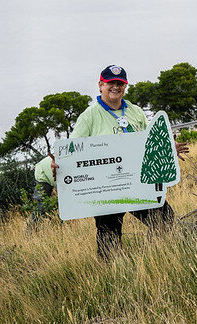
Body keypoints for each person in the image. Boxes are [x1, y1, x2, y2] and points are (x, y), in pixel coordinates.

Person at [59, 65, 188, 260]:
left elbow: (149, 142)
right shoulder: (89, 117)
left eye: (120, 83)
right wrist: (58, 165)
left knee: (165, 221)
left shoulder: (135, 112)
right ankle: (110, 276)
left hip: (139, 183)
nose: (116, 87)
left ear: (125, 87)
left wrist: (168, 148)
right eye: (111, 82)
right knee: (108, 238)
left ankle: (155, 259)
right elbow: (73, 150)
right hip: (107, 189)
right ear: (100, 85)